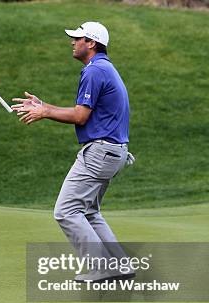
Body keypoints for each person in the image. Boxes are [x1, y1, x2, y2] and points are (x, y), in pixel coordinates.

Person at [12, 21, 135, 283]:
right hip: (114, 152)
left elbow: (80, 116)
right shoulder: (105, 68)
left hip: (100, 153)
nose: (73, 41)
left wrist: (45, 112)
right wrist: (44, 105)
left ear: (91, 43)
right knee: (89, 212)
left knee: (66, 211)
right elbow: (86, 113)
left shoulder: (94, 71)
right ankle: (121, 264)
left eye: (78, 38)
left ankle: (100, 267)